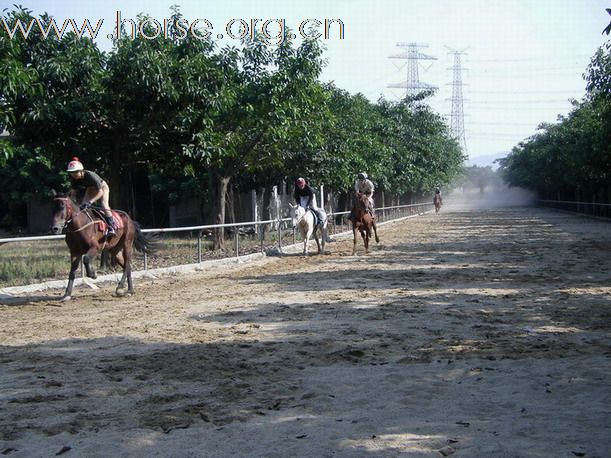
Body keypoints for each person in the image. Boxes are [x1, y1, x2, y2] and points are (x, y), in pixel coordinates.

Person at [66, 157, 117, 236]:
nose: (73, 174)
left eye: (76, 172)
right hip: (90, 189)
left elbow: (100, 192)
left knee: (104, 205)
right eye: (71, 172)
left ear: (81, 171)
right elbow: (73, 193)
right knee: (83, 207)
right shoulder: (74, 179)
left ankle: (112, 226)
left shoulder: (90, 175)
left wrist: (90, 202)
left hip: (102, 188)